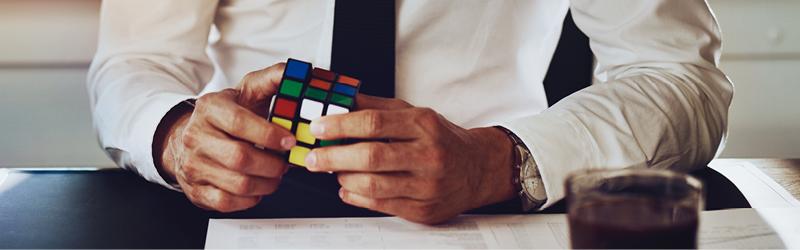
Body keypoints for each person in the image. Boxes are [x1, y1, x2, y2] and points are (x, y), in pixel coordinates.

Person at [87, 0, 732, 224]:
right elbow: (136, 59)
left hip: (490, 214)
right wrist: (173, 135)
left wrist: (503, 161)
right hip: (243, 212)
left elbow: (678, 74)